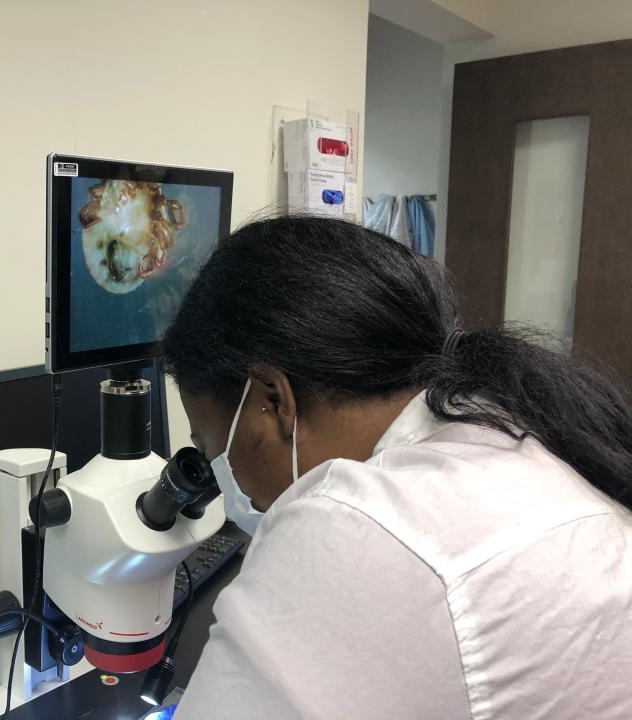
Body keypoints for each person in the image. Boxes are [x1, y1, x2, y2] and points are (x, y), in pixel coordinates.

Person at [162, 216, 632, 720]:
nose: (218, 468)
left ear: (272, 400)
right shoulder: (508, 425)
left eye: (210, 444)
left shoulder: (357, 525)